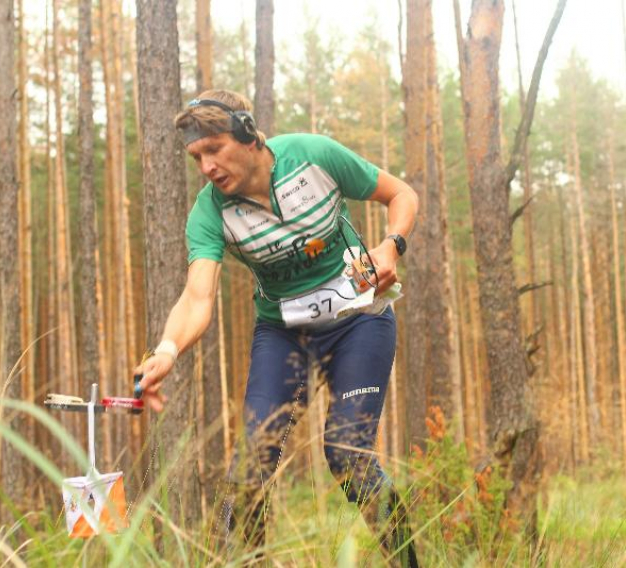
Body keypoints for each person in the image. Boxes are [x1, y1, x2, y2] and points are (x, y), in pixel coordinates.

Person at [135, 89, 420, 567]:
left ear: (248, 135)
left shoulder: (313, 156)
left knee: (348, 453)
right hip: (285, 334)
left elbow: (401, 194)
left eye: (214, 149)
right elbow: (196, 296)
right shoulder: (211, 212)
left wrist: (391, 245)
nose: (206, 166)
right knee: (250, 468)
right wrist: (166, 349)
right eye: (196, 157)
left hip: (358, 321)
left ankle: (408, 562)